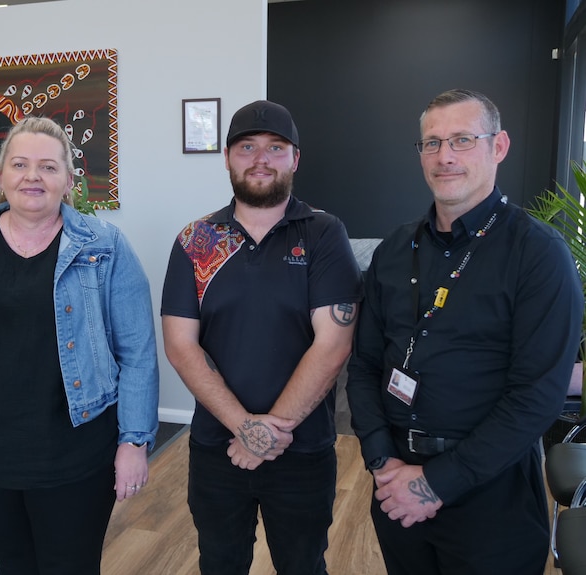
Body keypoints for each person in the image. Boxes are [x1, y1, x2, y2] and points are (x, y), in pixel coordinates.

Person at [346, 88, 584, 575]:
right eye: (431, 143)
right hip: (396, 485)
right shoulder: (394, 250)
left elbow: (535, 397)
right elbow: (365, 365)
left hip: (490, 495)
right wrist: (382, 462)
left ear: (498, 147)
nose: (444, 156)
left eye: (461, 140)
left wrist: (436, 483)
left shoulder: (538, 255)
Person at [0, 116, 159, 575]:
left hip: (74, 454)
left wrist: (134, 441)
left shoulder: (104, 247)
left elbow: (137, 352)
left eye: (48, 167)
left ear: (68, 181)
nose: (32, 176)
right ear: (0, 177)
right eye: (19, 164)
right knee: (14, 565)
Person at [161, 100, 362, 575]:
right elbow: (180, 345)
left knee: (303, 565)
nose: (261, 159)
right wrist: (244, 428)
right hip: (216, 445)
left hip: (303, 450)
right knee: (220, 563)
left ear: (295, 159)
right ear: (227, 157)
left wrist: (269, 431)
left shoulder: (323, 233)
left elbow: (333, 344)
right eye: (247, 147)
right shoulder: (198, 240)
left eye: (276, 148)